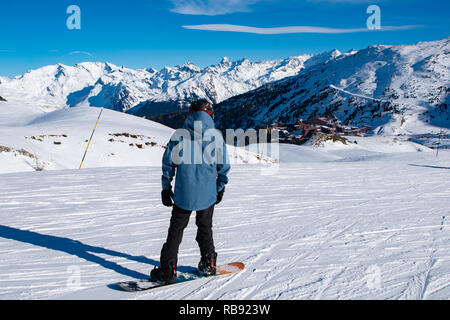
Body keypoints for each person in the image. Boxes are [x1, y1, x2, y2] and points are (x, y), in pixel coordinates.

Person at [150, 99, 230, 284]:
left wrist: (165, 187)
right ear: (209, 114)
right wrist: (219, 188)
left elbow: (168, 163)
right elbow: (224, 167)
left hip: (183, 194)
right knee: (205, 228)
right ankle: (208, 263)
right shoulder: (216, 136)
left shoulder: (179, 135)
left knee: (176, 231)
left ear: (191, 113)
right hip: (207, 194)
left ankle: (168, 270)